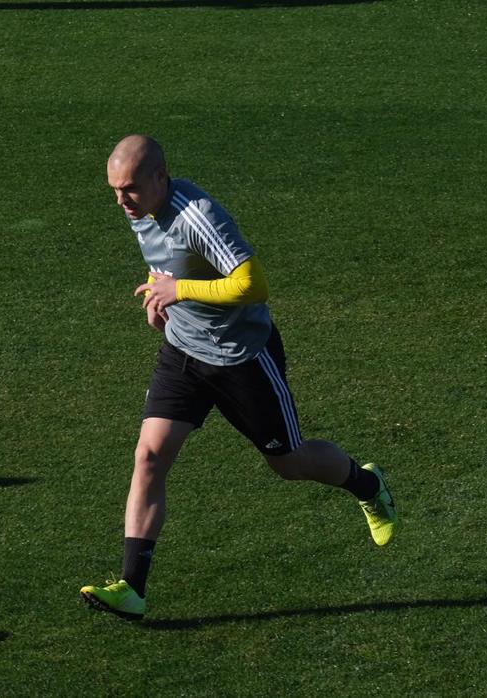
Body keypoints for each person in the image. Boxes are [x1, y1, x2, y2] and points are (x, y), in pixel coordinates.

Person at [79, 135, 399, 620]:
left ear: (161, 177)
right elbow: (162, 256)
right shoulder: (139, 209)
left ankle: (366, 485)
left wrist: (179, 289)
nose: (121, 201)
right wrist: (157, 294)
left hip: (241, 358)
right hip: (183, 352)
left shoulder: (197, 215)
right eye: (114, 190)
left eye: (130, 189)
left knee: (289, 464)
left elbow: (254, 284)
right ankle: (132, 588)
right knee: (148, 456)